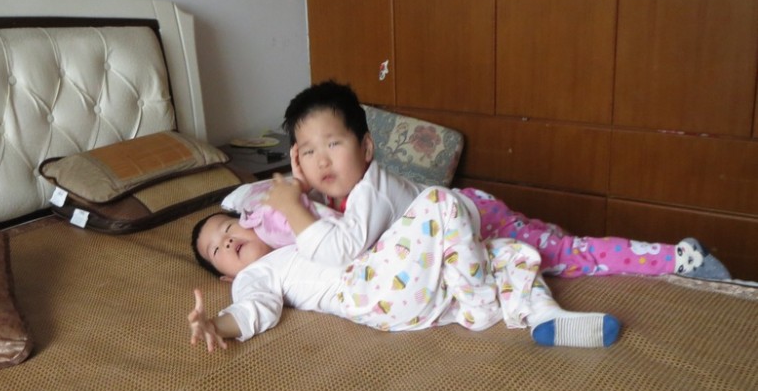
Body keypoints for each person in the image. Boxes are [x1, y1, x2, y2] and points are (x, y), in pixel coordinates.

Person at [263, 80, 731, 280]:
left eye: (333, 144)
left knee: (567, 256)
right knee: (553, 244)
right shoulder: (336, 192)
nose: (322, 160)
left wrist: (291, 203)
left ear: (367, 148)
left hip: (479, 223)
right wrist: (302, 187)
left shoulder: (371, 191)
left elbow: (341, 250)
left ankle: (681, 258)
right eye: (308, 151)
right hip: (468, 216)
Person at [189, 186, 621, 353]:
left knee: (504, 253)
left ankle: (545, 318)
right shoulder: (256, 275)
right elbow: (254, 308)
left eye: (227, 229)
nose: (225, 242)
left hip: (406, 282)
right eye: (216, 250)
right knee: (439, 201)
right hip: (368, 290)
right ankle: (480, 306)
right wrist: (217, 324)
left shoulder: (302, 233)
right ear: (227, 276)